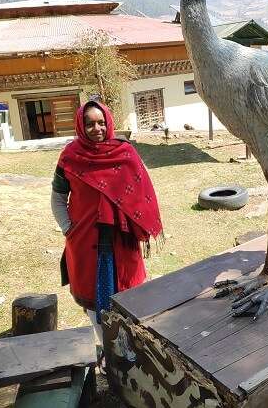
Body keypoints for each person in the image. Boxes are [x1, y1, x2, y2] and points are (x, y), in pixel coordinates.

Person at [51, 100, 162, 350]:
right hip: (85, 240)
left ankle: (130, 347)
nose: (96, 128)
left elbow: (142, 189)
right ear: (81, 125)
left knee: (128, 293)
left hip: (121, 238)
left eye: (101, 122)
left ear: (109, 123)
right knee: (94, 298)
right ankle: (108, 350)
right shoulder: (70, 156)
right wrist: (68, 227)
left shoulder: (125, 152)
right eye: (89, 124)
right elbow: (58, 197)